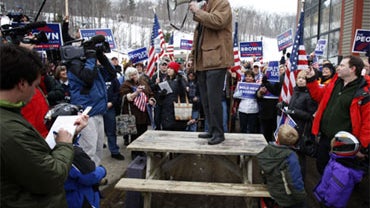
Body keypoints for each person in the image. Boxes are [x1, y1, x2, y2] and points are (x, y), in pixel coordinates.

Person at [0, 43, 88, 207]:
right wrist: (64, 144)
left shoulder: (10, 117)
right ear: (22, 84)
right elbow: (52, 176)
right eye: (35, 86)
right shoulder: (10, 131)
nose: (35, 92)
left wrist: (70, 131)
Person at [305, 55, 370, 175]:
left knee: (339, 176)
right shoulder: (335, 83)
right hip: (325, 138)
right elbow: (319, 96)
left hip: (344, 144)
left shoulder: (364, 92)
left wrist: (362, 146)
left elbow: (368, 123)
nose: (338, 68)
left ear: (353, 69)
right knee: (322, 167)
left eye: (342, 65)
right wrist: (311, 79)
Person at [188, 0, 233, 145]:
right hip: (203, 62)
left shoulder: (222, 3)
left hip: (216, 60)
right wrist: (192, 58)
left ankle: (219, 133)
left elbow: (218, 21)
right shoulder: (206, 6)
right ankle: (212, 129)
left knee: (214, 100)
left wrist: (197, 11)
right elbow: (199, 37)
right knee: (206, 100)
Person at [67, 35, 117, 166]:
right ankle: (84, 180)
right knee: (88, 149)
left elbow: (112, 74)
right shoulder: (74, 64)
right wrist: (91, 57)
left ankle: (94, 177)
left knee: (98, 149)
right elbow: (87, 77)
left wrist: (100, 56)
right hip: (86, 114)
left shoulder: (92, 66)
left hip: (99, 111)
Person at [257, 124, 307, 208]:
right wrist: (302, 196)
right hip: (284, 196)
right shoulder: (290, 157)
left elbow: (263, 173)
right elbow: (294, 182)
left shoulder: (267, 149)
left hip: (272, 188)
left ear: (277, 138)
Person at [313, 131, 366, 208]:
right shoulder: (338, 159)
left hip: (329, 203)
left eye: (332, 147)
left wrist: (326, 202)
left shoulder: (341, 170)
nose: (330, 149)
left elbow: (335, 191)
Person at [120, 67, 155, 159]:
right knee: (135, 133)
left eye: (135, 74)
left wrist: (151, 99)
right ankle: (135, 152)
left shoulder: (143, 82)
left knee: (143, 132)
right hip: (133, 113)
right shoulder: (125, 85)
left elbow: (150, 93)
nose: (134, 76)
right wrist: (136, 92)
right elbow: (126, 98)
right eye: (132, 75)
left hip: (144, 112)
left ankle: (141, 150)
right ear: (128, 76)